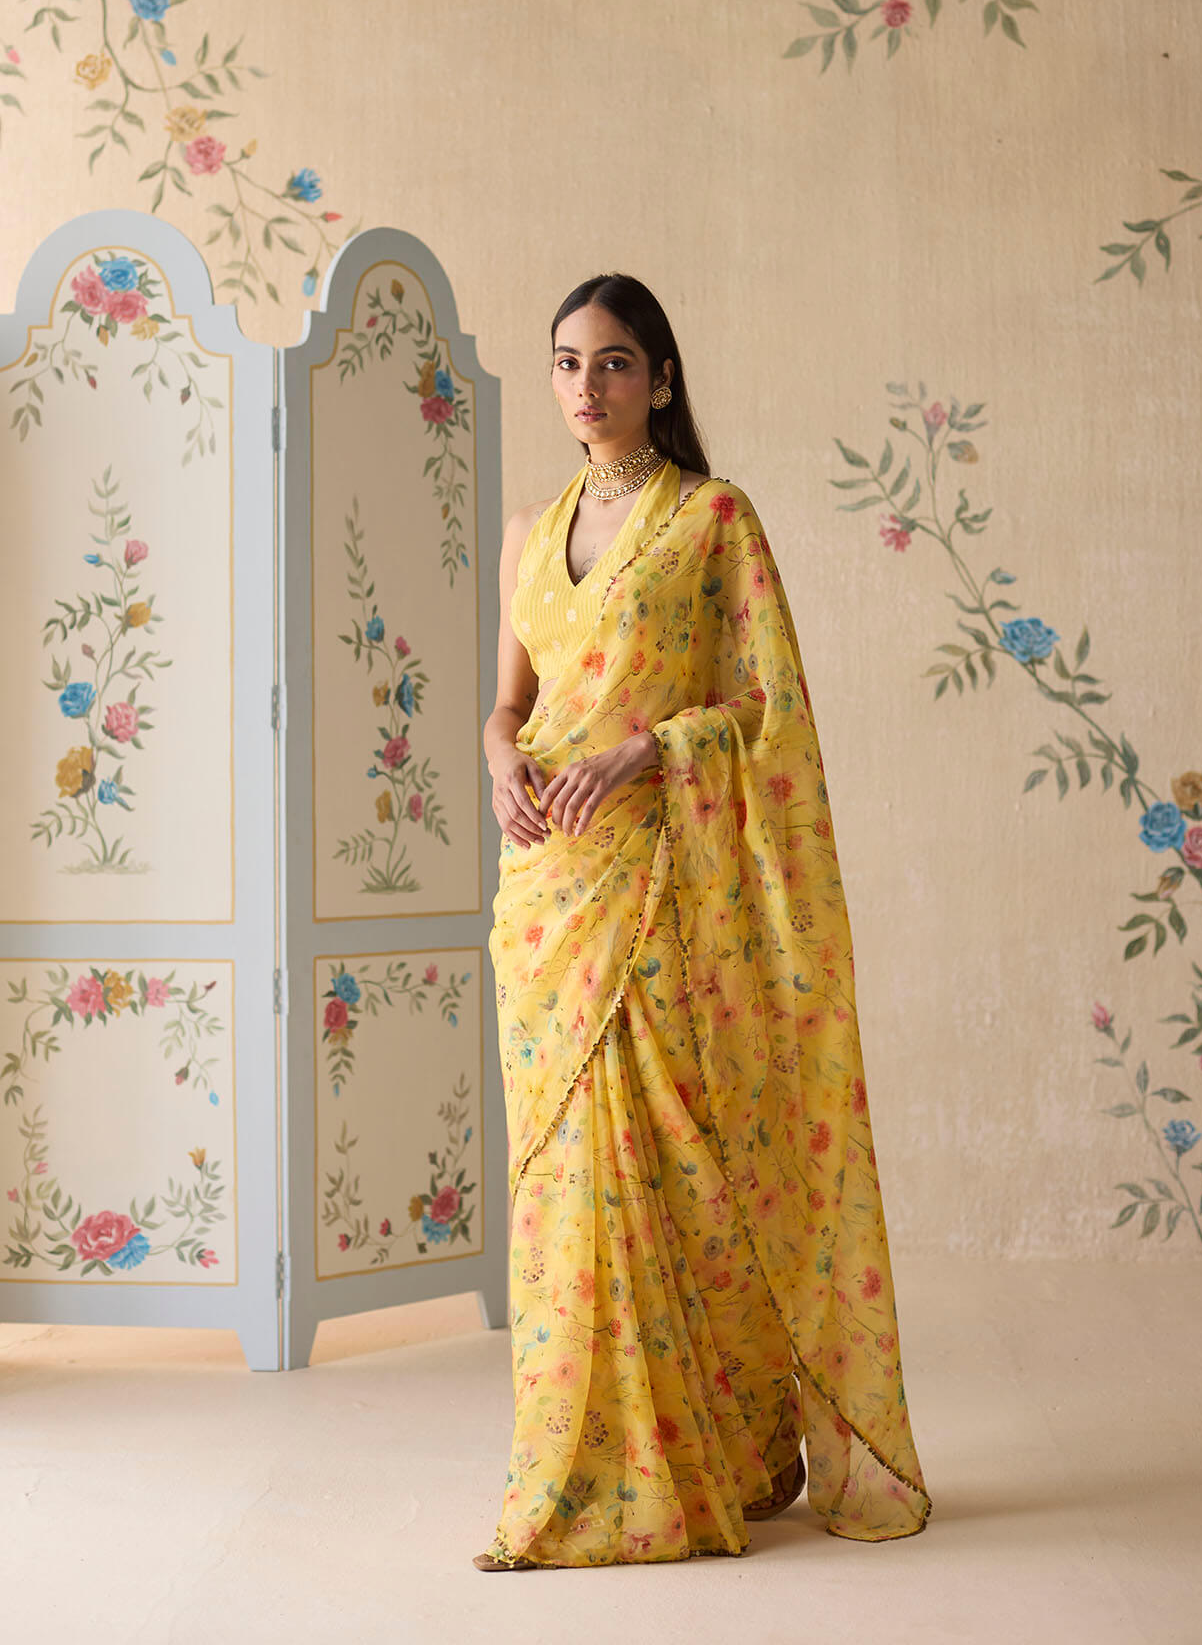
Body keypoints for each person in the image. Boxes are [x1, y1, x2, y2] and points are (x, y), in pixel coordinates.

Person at [474, 274, 932, 1570]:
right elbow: (509, 703)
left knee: (672, 1161)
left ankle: (703, 1452)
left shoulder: (712, 518)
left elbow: (764, 706)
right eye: (568, 362)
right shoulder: (527, 530)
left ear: (661, 379)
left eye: (615, 362)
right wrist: (499, 757)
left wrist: (644, 752)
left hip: (658, 885)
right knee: (563, 1183)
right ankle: (576, 1463)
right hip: (545, 894)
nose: (587, 386)